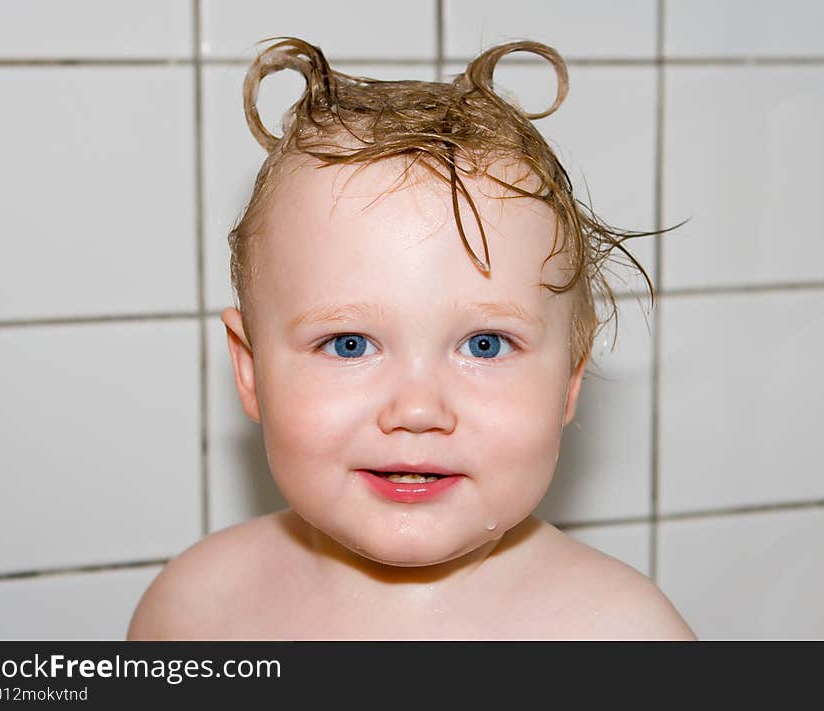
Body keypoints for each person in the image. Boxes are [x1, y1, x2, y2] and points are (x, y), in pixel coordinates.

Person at [128, 37, 696, 640]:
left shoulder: (624, 637)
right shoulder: (197, 610)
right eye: (349, 344)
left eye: (485, 345)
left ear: (569, 382)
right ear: (250, 371)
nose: (418, 410)